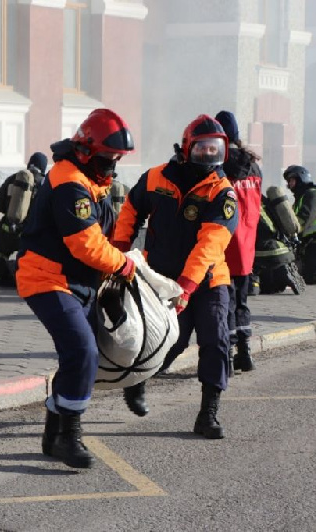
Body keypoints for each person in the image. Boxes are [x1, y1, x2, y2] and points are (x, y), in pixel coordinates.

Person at [15, 109, 136, 468]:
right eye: (108, 158)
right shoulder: (71, 183)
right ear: (86, 151)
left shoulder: (90, 179)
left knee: (81, 354)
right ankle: (69, 437)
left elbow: (104, 234)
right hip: (46, 278)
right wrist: (123, 264)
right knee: (83, 351)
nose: (113, 165)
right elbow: (84, 243)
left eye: (117, 159)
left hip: (76, 281)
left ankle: (54, 434)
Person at [114, 114, 238, 439]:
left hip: (208, 281)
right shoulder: (156, 177)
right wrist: (116, 250)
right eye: (202, 149)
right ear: (186, 148)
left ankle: (208, 413)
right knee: (167, 341)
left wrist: (187, 286)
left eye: (216, 149)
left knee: (216, 341)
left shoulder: (223, 193)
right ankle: (138, 382)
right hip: (161, 278)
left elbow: (210, 244)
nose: (210, 156)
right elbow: (131, 209)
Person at [215, 110, 262, 373]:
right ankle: (245, 354)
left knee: (223, 303)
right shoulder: (254, 166)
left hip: (221, 245)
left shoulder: (216, 166)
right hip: (246, 245)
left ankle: (228, 358)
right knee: (241, 301)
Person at [0, 152, 47, 287]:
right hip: (31, 233)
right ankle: (25, 278)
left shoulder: (14, 179)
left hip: (8, 229)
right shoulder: (45, 184)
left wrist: (10, 212)